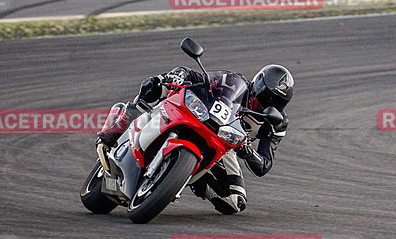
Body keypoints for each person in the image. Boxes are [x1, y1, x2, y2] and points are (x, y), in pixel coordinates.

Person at [96, 64, 294, 215]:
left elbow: (264, 165)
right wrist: (179, 75)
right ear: (258, 86)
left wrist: (248, 151)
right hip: (198, 116)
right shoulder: (233, 82)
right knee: (156, 85)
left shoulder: (275, 124)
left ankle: (185, 175)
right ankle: (125, 118)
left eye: (278, 104)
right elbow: (198, 77)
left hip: (225, 145)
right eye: (267, 98)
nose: (270, 106)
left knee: (235, 202)